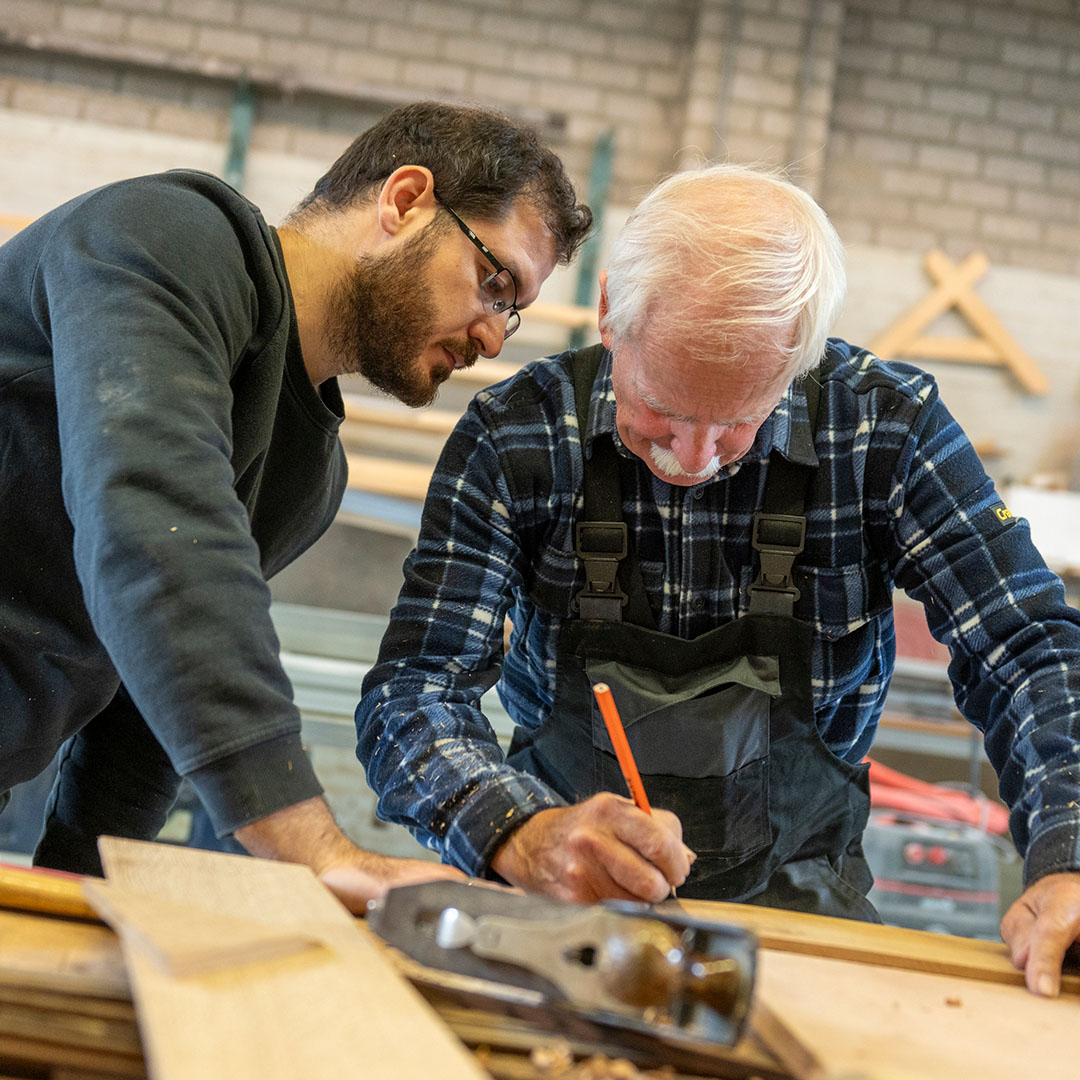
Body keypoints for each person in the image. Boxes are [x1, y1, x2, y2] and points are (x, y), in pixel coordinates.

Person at [357, 163, 1080, 995]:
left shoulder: (886, 429)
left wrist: (1069, 853)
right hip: (561, 900)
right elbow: (412, 693)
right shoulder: (516, 437)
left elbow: (1029, 651)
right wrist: (516, 831)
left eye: (739, 419)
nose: (693, 459)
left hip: (804, 909)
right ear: (608, 319)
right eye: (663, 405)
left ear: (798, 362)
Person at [0, 100, 592, 910]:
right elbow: (153, 531)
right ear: (405, 200)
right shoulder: (166, 240)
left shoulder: (309, 474)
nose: (494, 337)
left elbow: (144, 715)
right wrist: (309, 847)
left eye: (514, 309)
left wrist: (90, 900)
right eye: (495, 282)